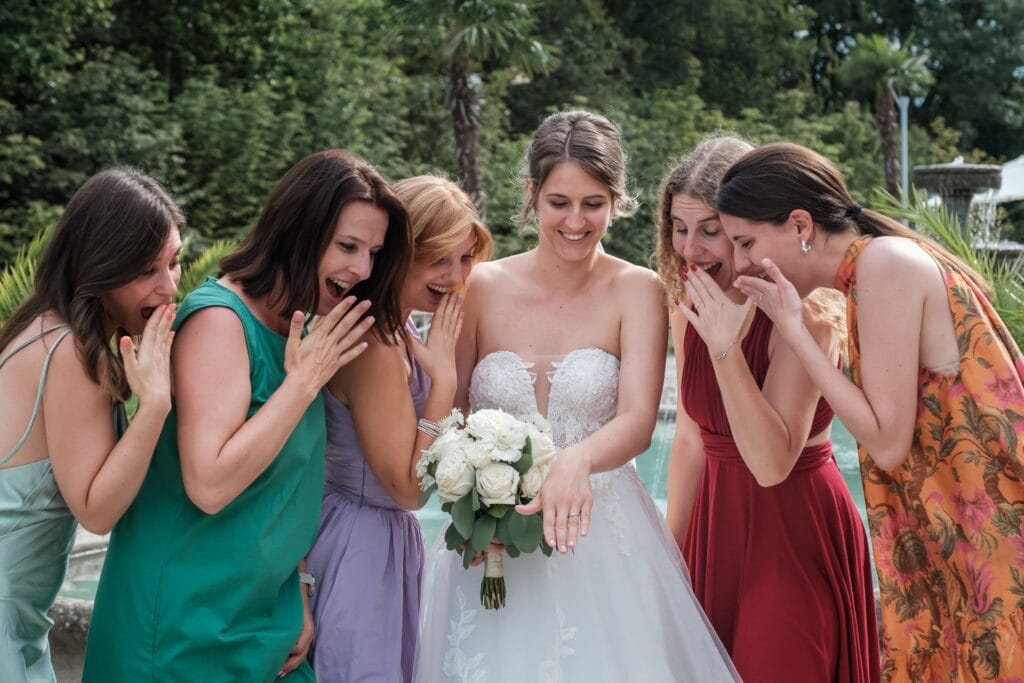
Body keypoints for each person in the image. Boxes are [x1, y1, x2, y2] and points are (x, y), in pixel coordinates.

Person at [414, 111, 738, 681]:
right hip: (492, 538)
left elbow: (640, 420)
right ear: (533, 196)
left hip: (601, 535)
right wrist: (470, 483)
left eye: (593, 202)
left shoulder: (637, 289)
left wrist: (576, 461)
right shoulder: (480, 286)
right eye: (559, 201)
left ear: (616, 200)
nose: (575, 220)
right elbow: (452, 414)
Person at [84, 149, 412, 682]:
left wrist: (300, 587)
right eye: (347, 246)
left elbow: (294, 484)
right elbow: (209, 483)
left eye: (373, 251)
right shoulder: (219, 321)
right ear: (298, 234)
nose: (362, 269)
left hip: (266, 618)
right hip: (181, 624)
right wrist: (303, 384)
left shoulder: (306, 332)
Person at [716, 141, 1024, 681]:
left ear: (799, 225)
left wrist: (793, 329)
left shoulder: (885, 264)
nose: (740, 261)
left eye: (746, 241)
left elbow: (886, 441)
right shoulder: (871, 271)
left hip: (992, 544)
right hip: (966, 535)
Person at [654, 136, 880, 682]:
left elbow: (771, 461)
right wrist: (670, 557)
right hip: (715, 528)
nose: (690, 250)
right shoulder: (690, 307)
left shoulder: (807, 317)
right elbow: (690, 440)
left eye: (711, 231)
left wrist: (727, 349)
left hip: (791, 537)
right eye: (679, 230)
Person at [305, 175, 492, 682]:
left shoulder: (401, 326)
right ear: (399, 255)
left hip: (384, 541)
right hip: (357, 544)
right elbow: (409, 489)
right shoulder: (374, 345)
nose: (455, 276)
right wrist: (444, 379)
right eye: (439, 259)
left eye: (466, 258)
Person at [0, 169, 180, 682]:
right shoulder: (67, 350)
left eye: (174, 261)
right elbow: (97, 509)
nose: (169, 285)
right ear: (101, 265)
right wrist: (156, 406)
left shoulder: (46, 329)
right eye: (147, 269)